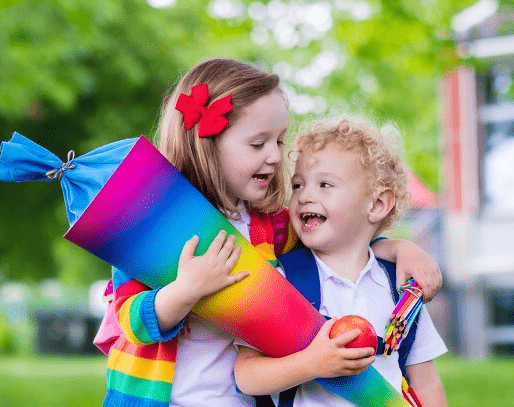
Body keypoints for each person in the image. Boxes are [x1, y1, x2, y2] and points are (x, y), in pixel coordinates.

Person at [103, 59, 443, 407]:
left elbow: (340, 238)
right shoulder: (151, 221)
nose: (276, 156)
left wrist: (400, 248)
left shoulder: (271, 226)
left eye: (279, 141)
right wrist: (184, 292)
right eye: (258, 144)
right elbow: (128, 323)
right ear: (207, 143)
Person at [234, 117, 448, 407]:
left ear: (377, 205)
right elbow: (245, 374)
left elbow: (426, 382)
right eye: (297, 185)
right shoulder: (282, 281)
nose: (305, 196)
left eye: (325, 184)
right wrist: (310, 365)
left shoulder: (402, 290)